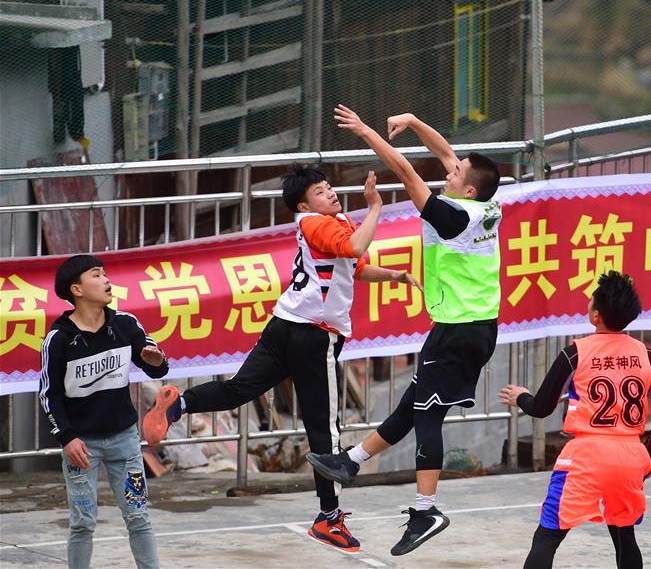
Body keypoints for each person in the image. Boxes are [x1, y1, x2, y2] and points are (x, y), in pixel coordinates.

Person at [142, 166, 421, 554]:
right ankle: (328, 519)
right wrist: (375, 206)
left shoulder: (331, 223)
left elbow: (355, 267)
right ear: (304, 205)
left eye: (329, 187)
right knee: (325, 430)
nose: (331, 193)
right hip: (313, 336)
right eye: (320, 191)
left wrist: (394, 276)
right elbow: (356, 248)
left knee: (239, 389)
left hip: (284, 325)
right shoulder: (316, 223)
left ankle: (179, 405)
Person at [306, 105, 503, 556]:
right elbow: (446, 154)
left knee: (427, 415)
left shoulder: (453, 217)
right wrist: (413, 122)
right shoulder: (487, 203)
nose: (449, 172)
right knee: (414, 404)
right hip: (474, 326)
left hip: (457, 329)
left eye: (456, 174)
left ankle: (425, 510)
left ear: (468, 188)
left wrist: (365, 130)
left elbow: (404, 171)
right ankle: (351, 461)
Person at [499, 271, 651, 569]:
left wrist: (521, 397)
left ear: (596, 316)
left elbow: (542, 407)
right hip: (630, 454)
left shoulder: (575, 353)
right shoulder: (647, 355)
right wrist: (647, 453)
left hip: (586, 455)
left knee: (547, 538)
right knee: (624, 536)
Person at [40, 254, 170, 569]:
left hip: (125, 440)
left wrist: (156, 361)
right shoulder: (59, 339)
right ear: (77, 290)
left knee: (139, 516)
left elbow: (155, 364)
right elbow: (49, 396)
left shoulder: (125, 324)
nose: (106, 280)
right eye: (96, 275)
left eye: (105, 274)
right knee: (82, 522)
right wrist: (67, 438)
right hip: (81, 446)